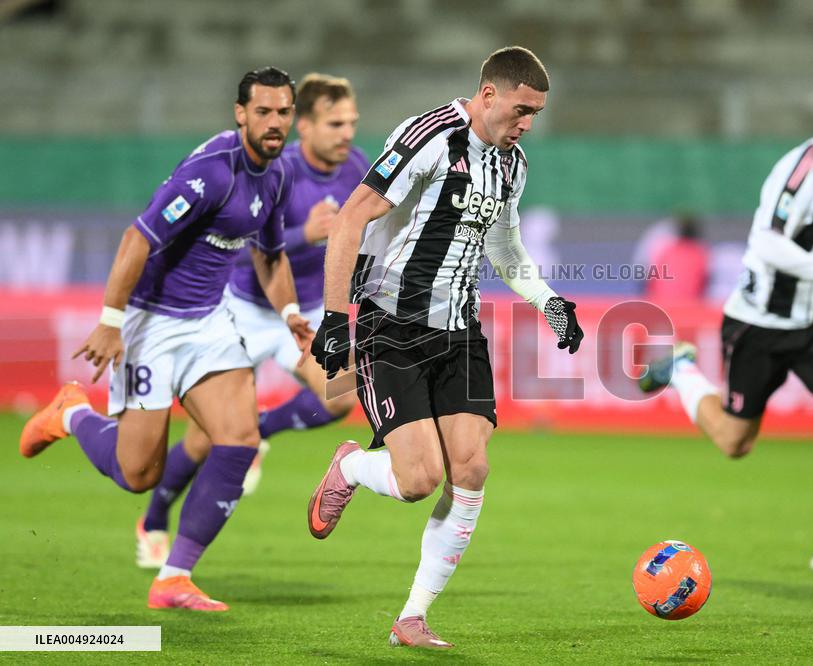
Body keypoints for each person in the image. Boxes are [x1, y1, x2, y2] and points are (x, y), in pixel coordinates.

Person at [307, 46, 584, 648]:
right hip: (391, 325)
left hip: (459, 329)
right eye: (521, 109)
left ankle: (413, 616)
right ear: (489, 94)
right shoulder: (430, 135)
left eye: (536, 112)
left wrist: (550, 303)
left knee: (473, 466)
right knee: (417, 481)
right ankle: (352, 466)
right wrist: (334, 316)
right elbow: (351, 218)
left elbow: (505, 248)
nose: (528, 123)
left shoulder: (513, 165)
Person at [19, 67, 309, 611]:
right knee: (137, 474)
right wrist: (110, 320)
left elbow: (270, 254)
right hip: (152, 321)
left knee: (240, 438)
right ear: (240, 113)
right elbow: (137, 236)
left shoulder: (277, 175)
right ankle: (70, 413)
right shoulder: (210, 173)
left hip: (209, 322)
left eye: (284, 111)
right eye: (264, 112)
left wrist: (290, 311)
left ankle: (174, 577)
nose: (276, 123)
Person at [639, 84, 813, 576]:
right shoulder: (799, 172)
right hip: (759, 324)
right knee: (735, 442)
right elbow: (767, 243)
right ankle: (682, 371)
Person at [134, 73, 369, 570]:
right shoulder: (276, 172)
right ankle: (154, 518)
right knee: (206, 438)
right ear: (304, 125)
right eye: (335, 123)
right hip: (242, 308)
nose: (347, 133)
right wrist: (305, 233)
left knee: (343, 394)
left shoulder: (358, 170)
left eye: (351, 122)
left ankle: (262, 428)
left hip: (301, 313)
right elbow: (236, 258)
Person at [645, 214, 709, 303]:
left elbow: (651, 282)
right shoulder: (700, 253)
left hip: (660, 303)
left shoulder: (666, 251)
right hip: (688, 306)